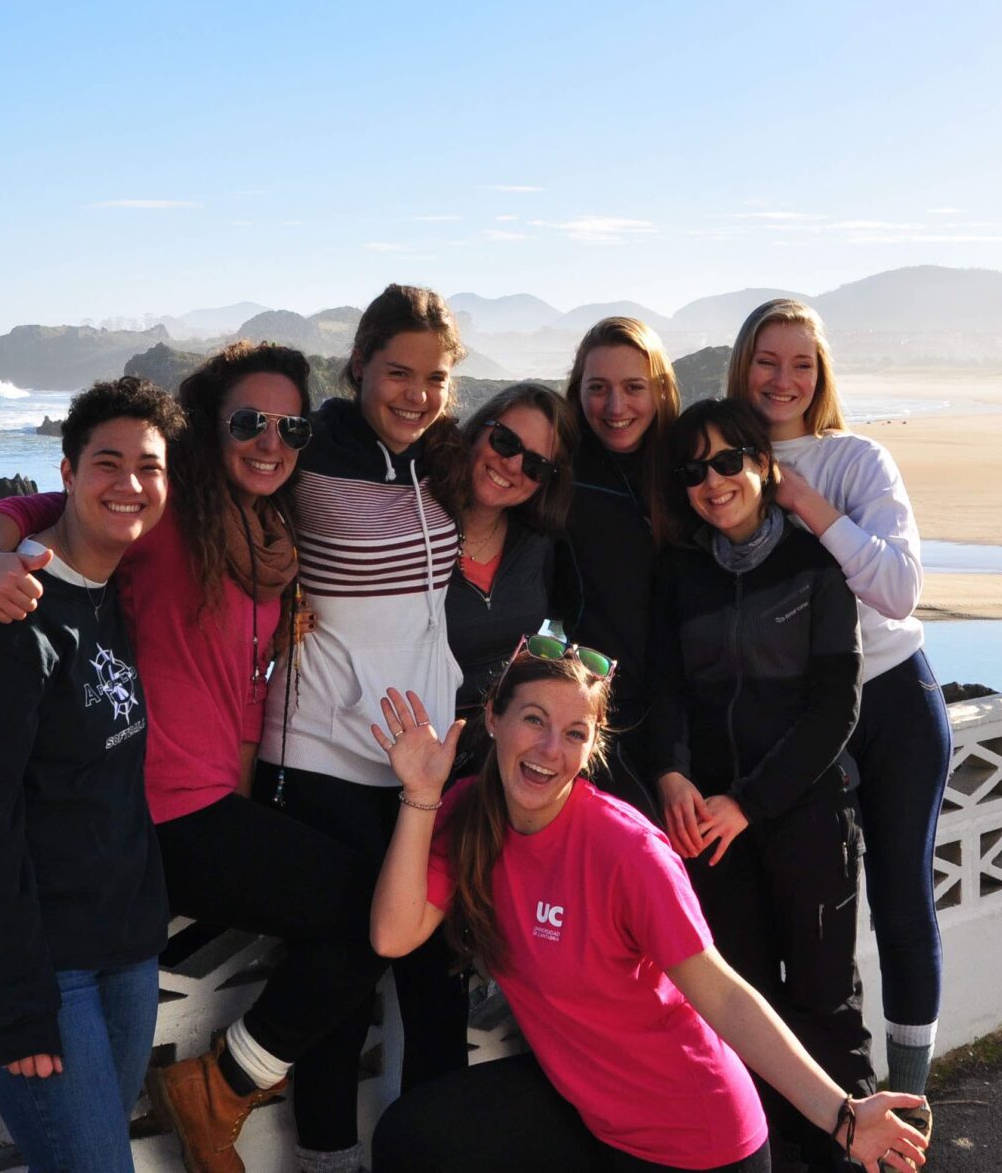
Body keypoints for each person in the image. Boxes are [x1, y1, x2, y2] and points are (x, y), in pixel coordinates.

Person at [0, 344, 388, 1173]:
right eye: (248, 422)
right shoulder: (160, 517)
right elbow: (14, 507)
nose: (270, 440)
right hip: (159, 814)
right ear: (210, 425)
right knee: (371, 911)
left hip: (216, 806)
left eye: (290, 425)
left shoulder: (270, 541)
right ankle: (222, 1085)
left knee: (374, 906)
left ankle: (256, 1103)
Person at [364, 649, 927, 1173]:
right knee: (411, 1138)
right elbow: (392, 935)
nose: (549, 750)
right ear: (494, 717)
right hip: (588, 1113)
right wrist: (421, 792)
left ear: (592, 748)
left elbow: (724, 995)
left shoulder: (626, 849)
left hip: (697, 1144)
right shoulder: (468, 814)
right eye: (533, 719)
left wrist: (840, 1113)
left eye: (574, 733)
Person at [0, 376, 181, 1173]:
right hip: (39, 970)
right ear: (64, 475)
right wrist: (19, 1005)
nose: (129, 484)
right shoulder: (6, 620)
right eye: (107, 462)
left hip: (124, 950)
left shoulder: (112, 593)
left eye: (150, 466)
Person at [257, 283, 475, 1171]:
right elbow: (191, 493)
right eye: (398, 372)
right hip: (320, 755)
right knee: (338, 998)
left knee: (437, 991)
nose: (416, 394)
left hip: (423, 764)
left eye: (435, 377)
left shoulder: (450, 459)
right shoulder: (309, 448)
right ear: (359, 367)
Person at [729, 298, 946, 1130]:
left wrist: (806, 504)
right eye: (767, 361)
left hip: (891, 695)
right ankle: (813, 1100)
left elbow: (897, 587)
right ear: (743, 365)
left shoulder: (856, 458)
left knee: (900, 891)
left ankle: (913, 1099)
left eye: (802, 364)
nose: (783, 379)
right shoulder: (717, 458)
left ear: (821, 376)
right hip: (796, 710)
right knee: (806, 907)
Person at [646, 397, 868, 1172]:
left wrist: (753, 801)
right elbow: (663, 691)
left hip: (804, 813)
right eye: (694, 469)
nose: (713, 481)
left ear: (763, 465)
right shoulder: (680, 572)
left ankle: (853, 1158)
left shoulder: (815, 566)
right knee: (738, 1012)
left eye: (727, 460)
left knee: (823, 1005)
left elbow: (836, 706)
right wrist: (671, 771)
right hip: (707, 823)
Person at [556, 316, 686, 805]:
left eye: (634, 387)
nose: (615, 407)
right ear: (577, 391)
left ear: (660, 390)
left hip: (693, 717)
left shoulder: (691, 470)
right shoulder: (559, 473)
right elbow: (545, 600)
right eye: (598, 388)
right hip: (597, 716)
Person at [444, 383, 577, 734]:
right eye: (505, 442)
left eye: (536, 466)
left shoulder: (538, 543)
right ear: (477, 431)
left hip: (497, 743)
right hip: (409, 737)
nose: (514, 464)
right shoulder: (420, 525)